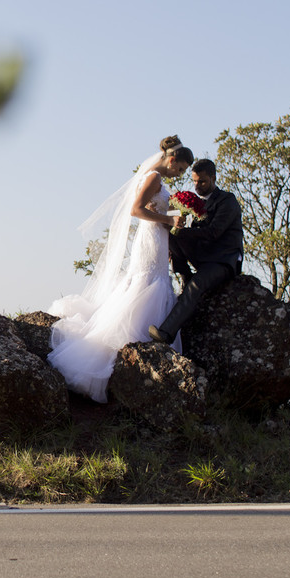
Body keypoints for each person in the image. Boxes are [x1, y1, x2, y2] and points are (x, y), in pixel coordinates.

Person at [47, 136, 194, 402]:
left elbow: (155, 210)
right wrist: (167, 218)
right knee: (147, 284)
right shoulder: (153, 178)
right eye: (181, 169)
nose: (180, 174)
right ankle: (126, 344)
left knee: (153, 283)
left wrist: (173, 219)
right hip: (150, 240)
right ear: (172, 160)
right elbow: (136, 210)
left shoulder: (157, 180)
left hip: (158, 239)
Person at [147, 158, 244, 345]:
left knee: (196, 285)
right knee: (173, 235)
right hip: (205, 255)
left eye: (202, 182)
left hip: (224, 259)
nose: (197, 186)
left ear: (213, 178)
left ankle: (165, 334)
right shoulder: (198, 202)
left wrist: (183, 232)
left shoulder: (227, 201)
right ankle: (184, 275)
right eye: (195, 182)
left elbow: (214, 232)